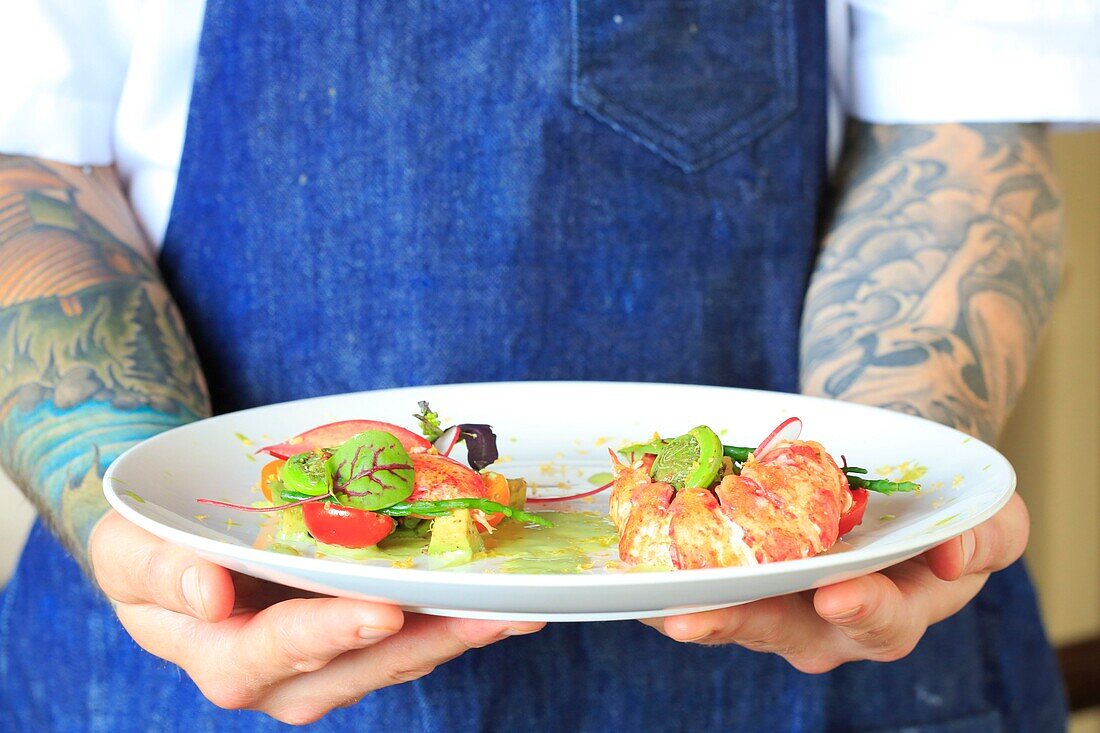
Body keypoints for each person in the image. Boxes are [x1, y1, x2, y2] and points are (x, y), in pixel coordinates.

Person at [0, 1, 1096, 730]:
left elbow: (955, 135)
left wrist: (883, 495)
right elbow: (27, 164)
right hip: (190, 667)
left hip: (816, 671)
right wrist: (145, 526)